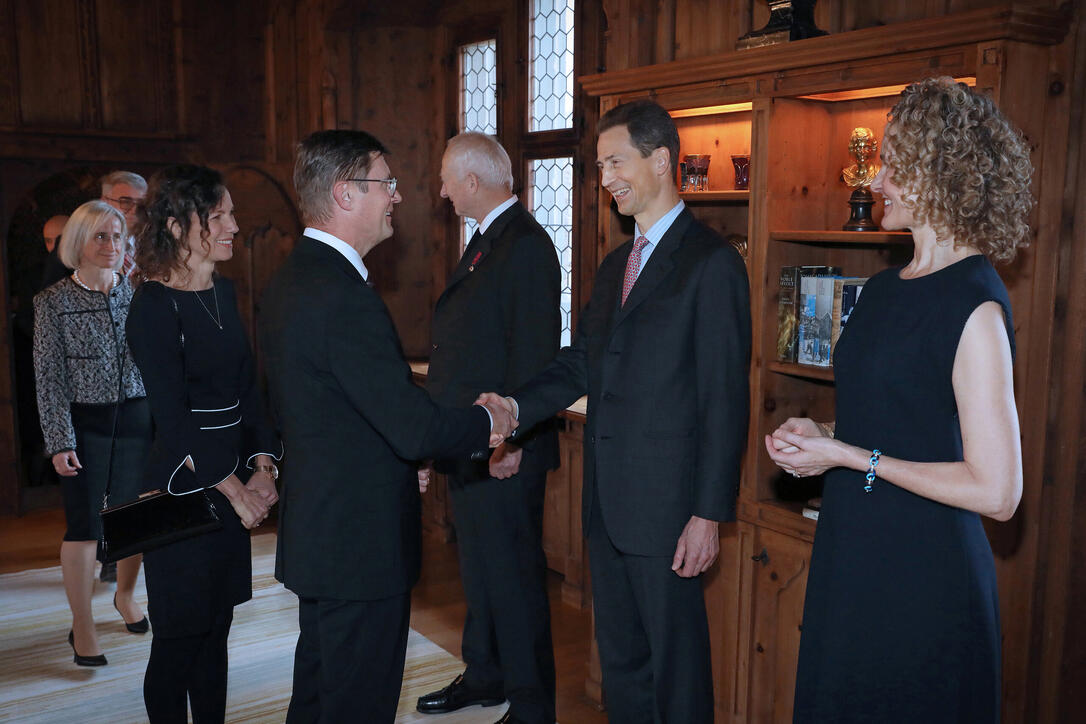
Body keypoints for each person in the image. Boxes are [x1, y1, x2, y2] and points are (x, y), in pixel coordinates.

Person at [764, 76, 1030, 723]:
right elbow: (896, 417)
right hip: (853, 555)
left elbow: (998, 492)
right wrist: (819, 432)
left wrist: (850, 456)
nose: (875, 181)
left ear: (941, 174)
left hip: (925, 576)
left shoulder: (974, 304)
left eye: (894, 167)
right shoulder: (883, 291)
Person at [480, 99, 752, 723]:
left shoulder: (711, 264)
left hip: (671, 511)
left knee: (676, 673)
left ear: (661, 160)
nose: (605, 179)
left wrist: (708, 513)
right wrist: (515, 408)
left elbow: (723, 399)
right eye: (600, 165)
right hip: (607, 507)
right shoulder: (613, 267)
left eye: (615, 162)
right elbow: (580, 365)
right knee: (622, 665)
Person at [258, 129, 517, 724]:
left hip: (326, 530)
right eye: (386, 183)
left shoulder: (295, 276)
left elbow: (338, 411)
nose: (396, 197)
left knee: (320, 696)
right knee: (358, 705)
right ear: (346, 194)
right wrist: (488, 420)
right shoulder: (341, 294)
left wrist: (401, 463)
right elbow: (409, 424)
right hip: (358, 545)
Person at [126, 165, 280, 723]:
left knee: (217, 630)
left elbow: (249, 389)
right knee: (177, 639)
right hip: (180, 492)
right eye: (219, 216)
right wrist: (237, 489)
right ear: (177, 225)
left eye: (231, 214)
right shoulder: (151, 306)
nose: (234, 226)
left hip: (235, 479)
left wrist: (265, 467)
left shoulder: (225, 290)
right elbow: (175, 419)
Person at [416, 132, 561, 724]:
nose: (443, 190)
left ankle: (531, 707)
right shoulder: (485, 241)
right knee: (480, 572)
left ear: (473, 182)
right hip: (472, 445)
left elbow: (533, 358)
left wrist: (512, 443)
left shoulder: (523, 244)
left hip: (505, 451)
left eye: (448, 179)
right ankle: (484, 675)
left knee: (515, 583)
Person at [32, 201, 152, 666]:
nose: (111, 245)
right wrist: (60, 441)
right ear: (77, 242)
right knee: (84, 528)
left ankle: (124, 596)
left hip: (139, 419)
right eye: (100, 236)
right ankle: (82, 626)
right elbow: (49, 379)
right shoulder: (52, 302)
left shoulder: (141, 293)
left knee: (133, 518)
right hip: (85, 424)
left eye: (118, 236)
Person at [100, 170, 147, 277]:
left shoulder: (154, 243)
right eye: (125, 202)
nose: (134, 210)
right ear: (104, 201)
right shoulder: (90, 241)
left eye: (141, 204)